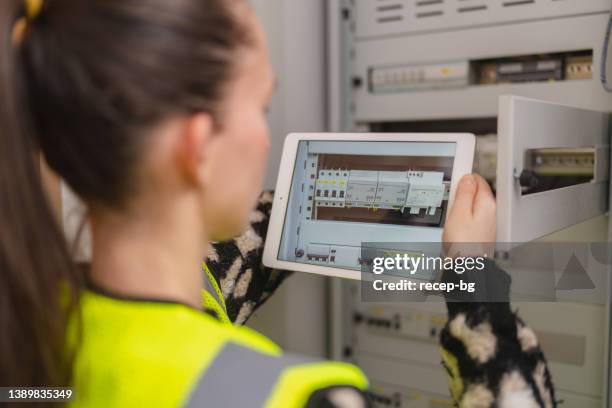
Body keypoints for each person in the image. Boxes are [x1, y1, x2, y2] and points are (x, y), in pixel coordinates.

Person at [0, 0, 555, 406]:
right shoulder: (289, 397)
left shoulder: (38, 337)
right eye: (261, 107)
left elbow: (237, 255)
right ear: (197, 148)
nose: (269, 139)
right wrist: (473, 276)